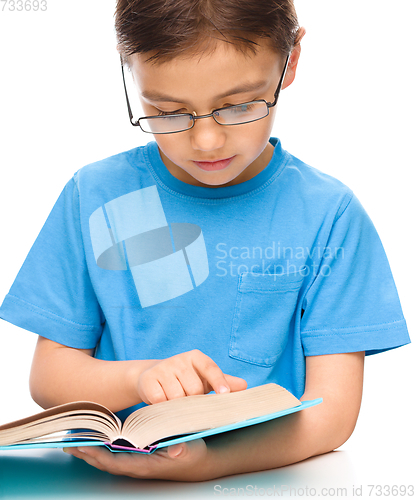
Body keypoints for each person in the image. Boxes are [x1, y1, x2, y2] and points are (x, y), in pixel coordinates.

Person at [0, 0, 411, 482]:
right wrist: (137, 377)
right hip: (103, 482)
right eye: (168, 111)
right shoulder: (95, 195)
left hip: (260, 483)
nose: (206, 142)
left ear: (290, 62)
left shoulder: (329, 215)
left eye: (238, 106)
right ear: (129, 71)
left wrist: (210, 464)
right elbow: (48, 378)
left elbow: (331, 415)